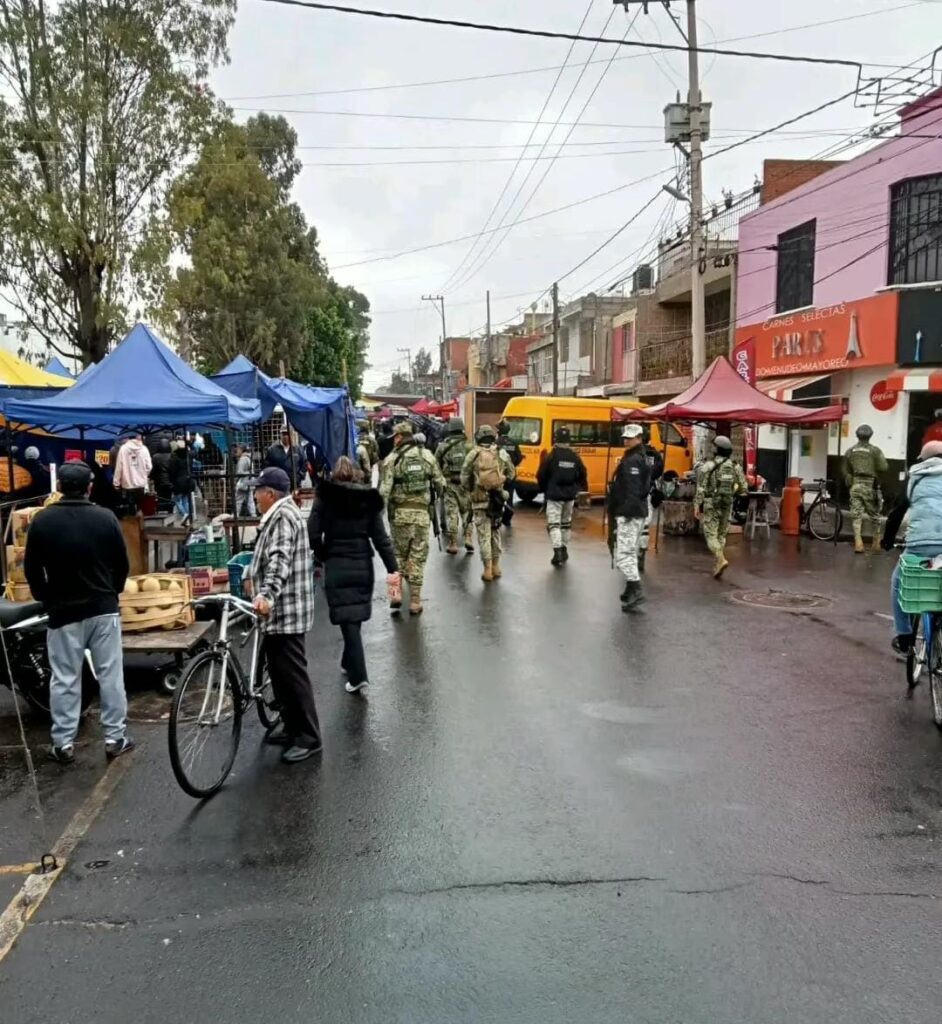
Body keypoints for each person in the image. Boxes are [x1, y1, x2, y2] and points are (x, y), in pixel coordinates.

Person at [23, 461, 134, 763]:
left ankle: (63, 743)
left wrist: (46, 598)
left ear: (59, 487)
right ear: (89, 487)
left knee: (64, 678)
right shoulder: (105, 518)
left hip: (62, 612)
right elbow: (122, 565)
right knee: (110, 675)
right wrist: (112, 591)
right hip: (103, 608)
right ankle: (115, 737)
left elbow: (32, 569)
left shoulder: (42, 521)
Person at [243, 466, 320, 763]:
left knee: (293, 676)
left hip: (286, 610)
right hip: (276, 614)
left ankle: (309, 737)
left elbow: (279, 561)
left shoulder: (284, 517)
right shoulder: (278, 514)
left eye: (257, 491)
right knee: (279, 675)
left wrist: (266, 594)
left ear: (270, 494)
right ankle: (291, 726)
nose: (254, 496)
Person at [308, 456, 399, 694]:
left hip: (337, 563)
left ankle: (359, 675)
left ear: (334, 476)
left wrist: (322, 553)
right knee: (353, 617)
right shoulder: (365, 499)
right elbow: (381, 537)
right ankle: (349, 662)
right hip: (362, 563)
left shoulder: (324, 498)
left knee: (348, 617)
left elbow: (313, 532)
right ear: (356, 475)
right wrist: (392, 567)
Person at [882, 441, 942, 653]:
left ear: (923, 459)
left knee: (899, 583)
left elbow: (897, 513)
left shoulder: (915, 478)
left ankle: (905, 637)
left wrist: (887, 540)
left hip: (920, 544)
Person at [379, 421, 445, 615]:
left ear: (399, 437)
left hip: (399, 517)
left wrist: (379, 516)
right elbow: (441, 484)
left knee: (397, 555)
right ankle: (415, 601)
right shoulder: (427, 456)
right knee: (417, 557)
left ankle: (395, 594)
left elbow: (384, 491)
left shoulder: (391, 459)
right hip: (422, 516)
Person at [461, 424, 515, 583]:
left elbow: (464, 477)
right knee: (495, 533)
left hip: (479, 501)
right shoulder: (502, 453)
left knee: (484, 536)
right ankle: (497, 567)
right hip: (497, 501)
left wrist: (470, 489)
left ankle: (487, 570)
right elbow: (512, 473)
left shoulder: (473, 454)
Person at [607, 425, 651, 612]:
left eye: (630, 438)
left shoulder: (632, 461)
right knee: (630, 551)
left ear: (639, 438)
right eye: (625, 437)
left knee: (623, 555)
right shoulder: (641, 457)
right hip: (637, 511)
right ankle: (629, 591)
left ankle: (636, 588)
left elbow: (633, 490)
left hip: (630, 513)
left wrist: (625, 512)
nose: (626, 440)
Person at [695, 435, 747, 579]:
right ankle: (718, 563)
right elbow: (744, 488)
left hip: (711, 503)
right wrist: (732, 492)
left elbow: (701, 488)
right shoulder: (736, 466)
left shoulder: (708, 466)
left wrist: (697, 505)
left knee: (711, 535)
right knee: (721, 534)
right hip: (728, 503)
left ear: (716, 449)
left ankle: (720, 558)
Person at [537, 425, 587, 567]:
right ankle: (564, 549)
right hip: (569, 496)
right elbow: (583, 473)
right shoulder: (574, 457)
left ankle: (557, 551)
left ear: (556, 439)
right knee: (566, 523)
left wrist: (544, 489)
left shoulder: (551, 456)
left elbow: (541, 474)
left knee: (554, 524)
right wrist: (576, 487)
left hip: (554, 495)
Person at [844, 424, 888, 554]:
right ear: (870, 436)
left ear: (857, 435)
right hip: (870, 486)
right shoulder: (875, 451)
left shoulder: (850, 451)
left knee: (856, 514)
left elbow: (846, 470)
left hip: (856, 485)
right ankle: (876, 543)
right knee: (875, 514)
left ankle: (858, 543)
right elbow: (884, 467)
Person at [435, 417, 474, 555]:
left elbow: (436, 466)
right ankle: (468, 537)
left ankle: (453, 543)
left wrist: (440, 482)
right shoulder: (470, 446)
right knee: (467, 512)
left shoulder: (443, 446)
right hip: (466, 485)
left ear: (450, 429)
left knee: (452, 513)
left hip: (450, 484)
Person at [637, 426, 665, 574]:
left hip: (634, 493)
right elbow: (660, 471)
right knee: (645, 526)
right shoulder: (656, 455)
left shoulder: (634, 454)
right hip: (649, 491)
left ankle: (632, 554)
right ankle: (641, 553)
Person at [112, 429, 152, 502]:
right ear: (137, 437)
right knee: (140, 505)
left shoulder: (123, 449)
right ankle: (139, 511)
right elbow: (149, 466)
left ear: (128, 438)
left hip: (127, 484)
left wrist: (116, 482)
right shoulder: (144, 449)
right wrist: (144, 475)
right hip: (141, 484)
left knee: (130, 506)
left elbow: (119, 467)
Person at [496, 419, 523, 519]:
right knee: (509, 496)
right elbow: (519, 457)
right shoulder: (514, 443)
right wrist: (513, 465)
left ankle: (497, 517)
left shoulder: (496, 443)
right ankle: (508, 517)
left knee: (498, 496)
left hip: (499, 474)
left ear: (499, 431)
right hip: (511, 475)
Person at [169, 439, 195, 522]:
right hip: (189, 480)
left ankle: (184, 514)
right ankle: (188, 517)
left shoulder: (175, 457)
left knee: (176, 500)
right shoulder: (189, 456)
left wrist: (171, 481)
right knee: (185, 500)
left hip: (179, 482)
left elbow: (172, 471)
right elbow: (195, 452)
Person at [150, 438, 173, 505]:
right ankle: (169, 507)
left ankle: (161, 507)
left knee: (160, 496)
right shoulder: (172, 456)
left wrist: (151, 477)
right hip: (170, 480)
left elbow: (153, 469)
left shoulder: (155, 457)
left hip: (159, 481)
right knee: (169, 496)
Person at [234, 443, 255, 517]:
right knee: (250, 501)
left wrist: (236, 480)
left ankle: (236, 515)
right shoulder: (249, 458)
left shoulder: (243, 459)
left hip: (243, 483)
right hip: (250, 482)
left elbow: (239, 472)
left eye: (238, 449)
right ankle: (253, 515)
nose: (237, 451)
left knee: (238, 501)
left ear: (242, 450)